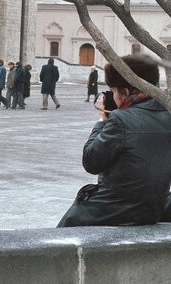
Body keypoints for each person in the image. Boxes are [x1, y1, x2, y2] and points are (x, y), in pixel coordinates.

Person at [57, 54, 171, 227]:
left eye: (114, 91)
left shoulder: (121, 119)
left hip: (116, 208)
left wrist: (102, 121)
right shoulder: (167, 115)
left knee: (68, 225)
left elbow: (91, 162)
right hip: (155, 207)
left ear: (124, 92)